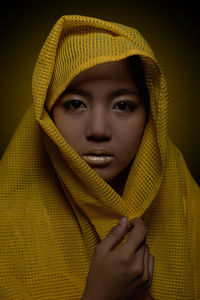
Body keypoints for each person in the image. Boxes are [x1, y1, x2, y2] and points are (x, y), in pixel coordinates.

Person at [0, 14, 199, 299]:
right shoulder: (7, 228)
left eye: (123, 105)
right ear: (47, 116)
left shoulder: (189, 210)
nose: (98, 130)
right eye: (76, 104)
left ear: (150, 118)